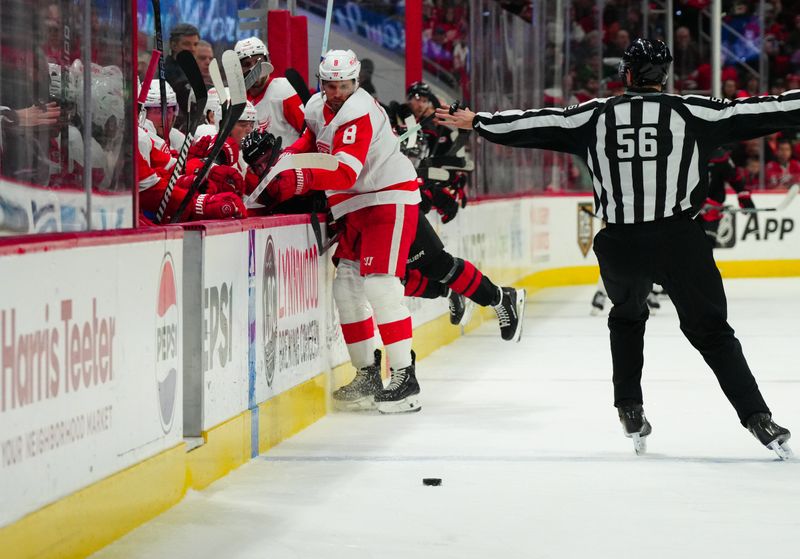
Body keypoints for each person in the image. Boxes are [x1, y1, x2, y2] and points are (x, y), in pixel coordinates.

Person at [435, 38, 794, 459]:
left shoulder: (594, 115)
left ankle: (629, 406)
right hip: (679, 239)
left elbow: (535, 123)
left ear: (625, 73)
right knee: (713, 333)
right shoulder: (692, 111)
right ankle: (758, 418)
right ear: (665, 75)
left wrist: (479, 121)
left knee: (626, 318)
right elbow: (764, 109)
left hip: (620, 242)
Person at [260, 49, 422, 414]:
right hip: (353, 206)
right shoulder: (317, 106)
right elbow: (310, 139)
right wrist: (287, 159)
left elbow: (345, 173)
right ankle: (367, 374)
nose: (336, 92)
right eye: (330, 85)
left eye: (344, 85)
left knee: (380, 286)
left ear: (356, 81)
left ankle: (405, 375)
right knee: (346, 287)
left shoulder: (359, 113)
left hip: (387, 199)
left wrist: (299, 178)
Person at [404, 81, 527, 340]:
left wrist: (436, 190)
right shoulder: (399, 123)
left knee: (435, 267)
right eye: (412, 97)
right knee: (392, 280)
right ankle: (454, 292)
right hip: (370, 209)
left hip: (398, 204)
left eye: (421, 97)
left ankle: (499, 297)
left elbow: (454, 163)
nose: (415, 102)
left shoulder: (382, 121)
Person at [234, 37, 305, 147]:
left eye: (259, 62)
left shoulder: (283, 90)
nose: (254, 69)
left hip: (290, 162)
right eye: (247, 64)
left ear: (268, 61)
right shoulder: (239, 99)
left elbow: (309, 133)